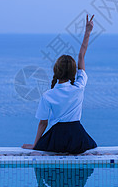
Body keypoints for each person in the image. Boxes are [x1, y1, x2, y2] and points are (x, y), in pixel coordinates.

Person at [21, 14, 97, 154]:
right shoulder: (79, 87)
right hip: (77, 136)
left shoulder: (48, 95)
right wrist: (88, 32)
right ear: (74, 72)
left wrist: (35, 144)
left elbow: (43, 123)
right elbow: (81, 56)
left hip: (57, 137)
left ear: (55, 70)